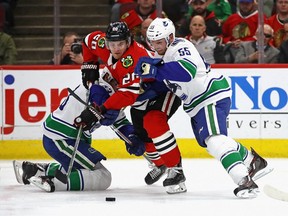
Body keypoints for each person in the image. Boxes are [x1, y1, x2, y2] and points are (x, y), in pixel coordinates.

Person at [135, 17, 273, 198]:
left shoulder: (180, 46)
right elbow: (165, 84)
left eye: (159, 42)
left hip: (210, 96)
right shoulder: (159, 56)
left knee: (214, 140)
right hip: (197, 104)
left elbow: (187, 72)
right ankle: (252, 160)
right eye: (151, 42)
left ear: (169, 38)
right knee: (210, 143)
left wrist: (155, 71)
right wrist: (140, 90)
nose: (155, 46)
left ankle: (245, 181)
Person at [80, 21, 185, 194]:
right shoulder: (103, 45)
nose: (116, 48)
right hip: (141, 97)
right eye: (112, 44)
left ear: (128, 41)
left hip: (163, 90)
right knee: (142, 137)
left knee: (154, 123)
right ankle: (160, 164)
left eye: (120, 43)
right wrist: (89, 65)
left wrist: (101, 109)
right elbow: (86, 40)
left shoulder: (135, 57)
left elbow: (127, 94)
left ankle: (177, 172)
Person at [13, 63, 145, 192]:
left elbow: (120, 122)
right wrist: (104, 111)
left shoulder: (103, 87)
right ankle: (52, 181)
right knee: (103, 176)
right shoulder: (99, 89)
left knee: (83, 172)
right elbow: (99, 100)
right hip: (62, 140)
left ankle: (37, 170)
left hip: (61, 138)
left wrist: (131, 137)